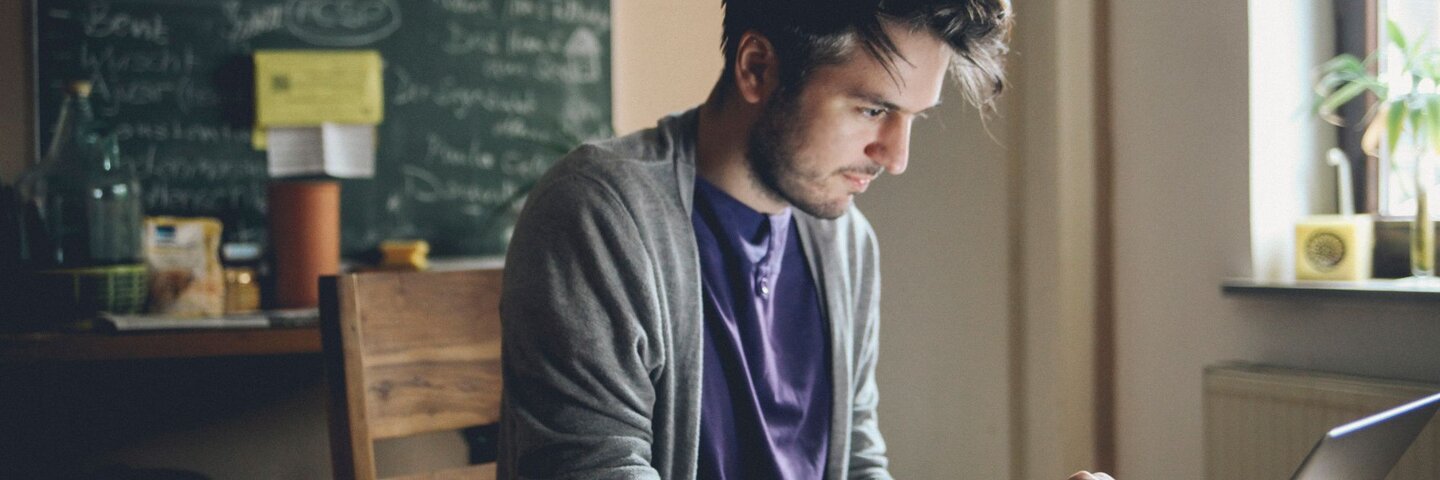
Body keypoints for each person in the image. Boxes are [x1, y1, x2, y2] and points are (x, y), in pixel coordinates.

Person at [498, 1, 1114, 479]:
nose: (896, 157)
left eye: (913, 119)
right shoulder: (601, 216)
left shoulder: (846, 246)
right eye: (873, 110)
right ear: (757, 68)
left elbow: (859, 465)